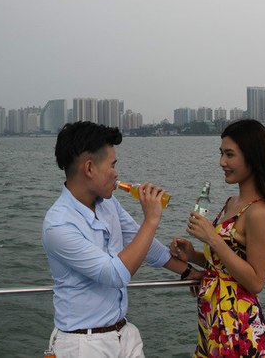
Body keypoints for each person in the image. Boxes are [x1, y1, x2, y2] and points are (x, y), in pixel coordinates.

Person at [42, 121, 201, 358]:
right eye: (112, 165)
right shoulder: (59, 225)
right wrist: (151, 220)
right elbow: (115, 274)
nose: (116, 174)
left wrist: (190, 273)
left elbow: (146, 246)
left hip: (123, 334)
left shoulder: (108, 204)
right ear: (89, 168)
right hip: (83, 344)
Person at [171, 119, 265, 358]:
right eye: (221, 153)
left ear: (253, 157)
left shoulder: (259, 211)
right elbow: (226, 265)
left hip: (238, 325)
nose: (222, 162)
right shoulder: (232, 203)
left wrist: (212, 239)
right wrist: (193, 255)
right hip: (213, 320)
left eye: (230, 154)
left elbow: (255, 281)